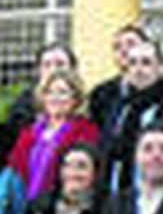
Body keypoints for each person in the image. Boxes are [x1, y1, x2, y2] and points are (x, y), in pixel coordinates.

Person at [88, 26, 163, 191]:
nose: (138, 70)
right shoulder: (118, 107)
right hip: (116, 197)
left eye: (146, 63)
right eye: (132, 63)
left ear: (161, 68)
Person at [8, 69, 100, 202]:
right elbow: (15, 168)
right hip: (26, 205)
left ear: (75, 99)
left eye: (62, 92)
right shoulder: (30, 132)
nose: (55, 98)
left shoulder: (85, 131)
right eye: (49, 92)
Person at [5, 42, 79, 137]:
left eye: (60, 64)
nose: (53, 70)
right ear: (39, 70)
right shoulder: (24, 102)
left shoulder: (85, 102)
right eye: (47, 65)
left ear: (72, 68)